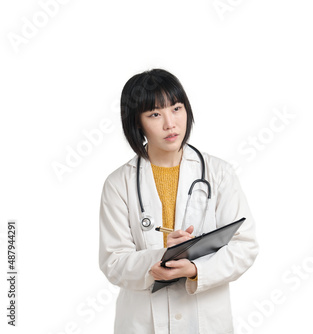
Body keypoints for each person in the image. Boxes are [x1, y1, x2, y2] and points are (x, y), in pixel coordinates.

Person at [99, 68, 259, 334]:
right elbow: (113, 262)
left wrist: (195, 269)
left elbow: (245, 246)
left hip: (206, 321)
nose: (170, 124)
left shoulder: (219, 173)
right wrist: (161, 258)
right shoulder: (118, 183)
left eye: (176, 108)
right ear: (137, 122)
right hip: (142, 324)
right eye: (154, 114)